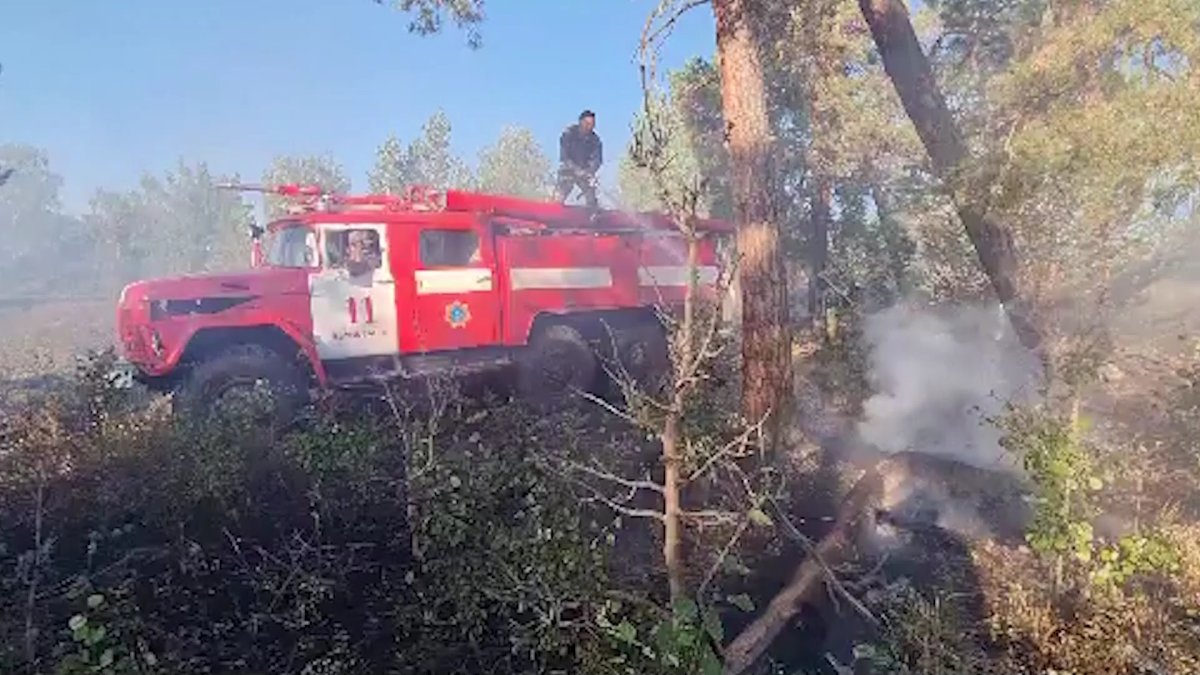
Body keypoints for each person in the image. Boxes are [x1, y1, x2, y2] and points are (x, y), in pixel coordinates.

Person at [555, 110, 603, 209]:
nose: (589, 126)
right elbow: (564, 156)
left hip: (585, 173)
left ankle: (592, 214)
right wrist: (576, 169)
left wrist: (590, 171)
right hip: (568, 169)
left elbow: (597, 160)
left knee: (591, 195)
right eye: (587, 123)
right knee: (563, 188)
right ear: (580, 122)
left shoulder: (595, 140)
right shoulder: (569, 133)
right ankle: (555, 207)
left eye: (592, 124)